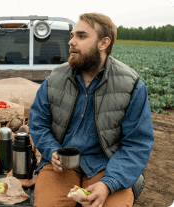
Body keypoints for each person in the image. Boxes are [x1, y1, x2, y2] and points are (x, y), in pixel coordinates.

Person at [29, 12, 154, 207]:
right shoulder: (54, 79)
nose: (71, 42)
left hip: (107, 165)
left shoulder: (132, 86)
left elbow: (137, 144)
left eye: (81, 36)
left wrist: (108, 184)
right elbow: (38, 122)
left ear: (103, 43)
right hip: (60, 165)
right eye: (72, 36)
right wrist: (52, 150)